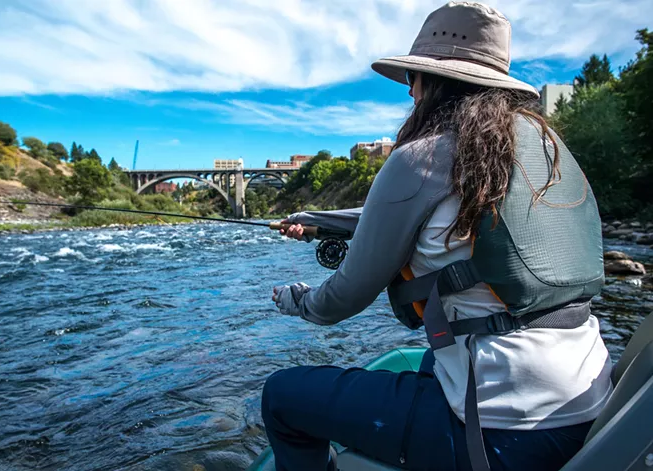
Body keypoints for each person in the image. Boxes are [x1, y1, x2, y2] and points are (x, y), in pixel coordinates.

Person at [262, 2, 613, 470]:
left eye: (414, 77)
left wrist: (296, 300)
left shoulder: (421, 157)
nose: (410, 89)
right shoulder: (540, 147)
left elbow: (343, 298)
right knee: (428, 364)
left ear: (432, 82)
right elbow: (419, 216)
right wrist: (320, 220)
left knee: (282, 396)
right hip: (587, 396)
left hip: (502, 432)